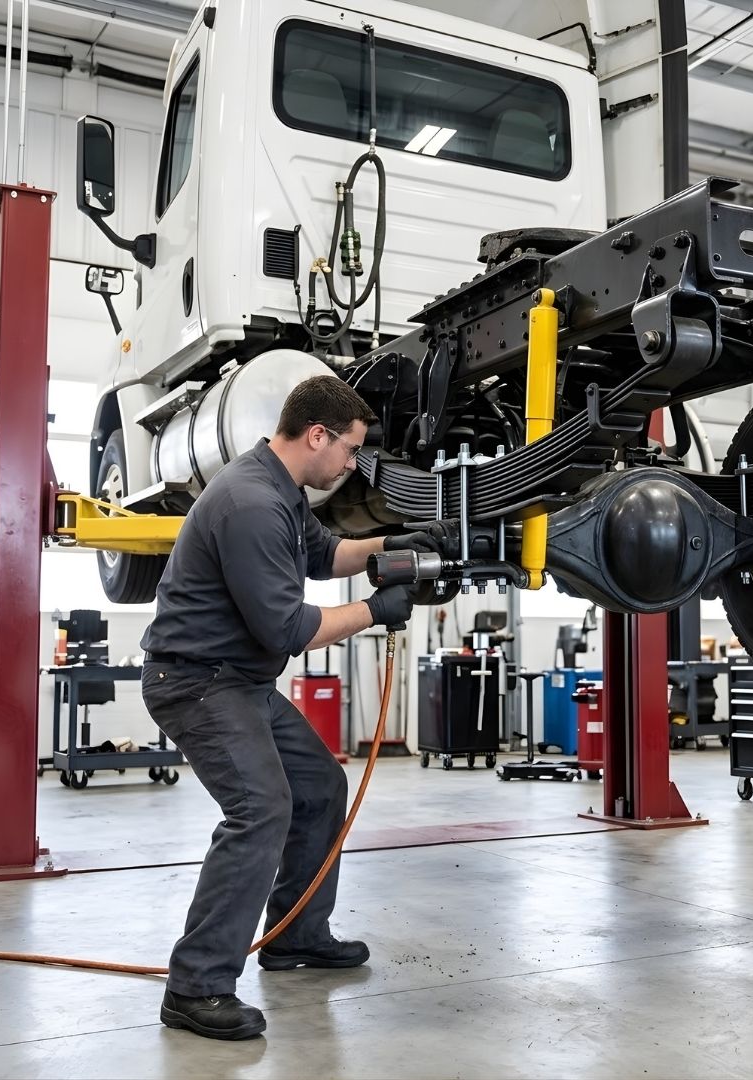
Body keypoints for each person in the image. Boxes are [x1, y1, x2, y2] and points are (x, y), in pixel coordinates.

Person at [140, 375, 440, 1041]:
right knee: (262, 809)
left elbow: (325, 555)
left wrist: (397, 544)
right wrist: (373, 610)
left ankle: (295, 933)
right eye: (350, 451)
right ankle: (196, 986)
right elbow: (287, 630)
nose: (350, 466)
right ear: (317, 436)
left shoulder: (276, 485)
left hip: (237, 680)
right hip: (196, 681)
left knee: (318, 785)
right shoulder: (250, 502)